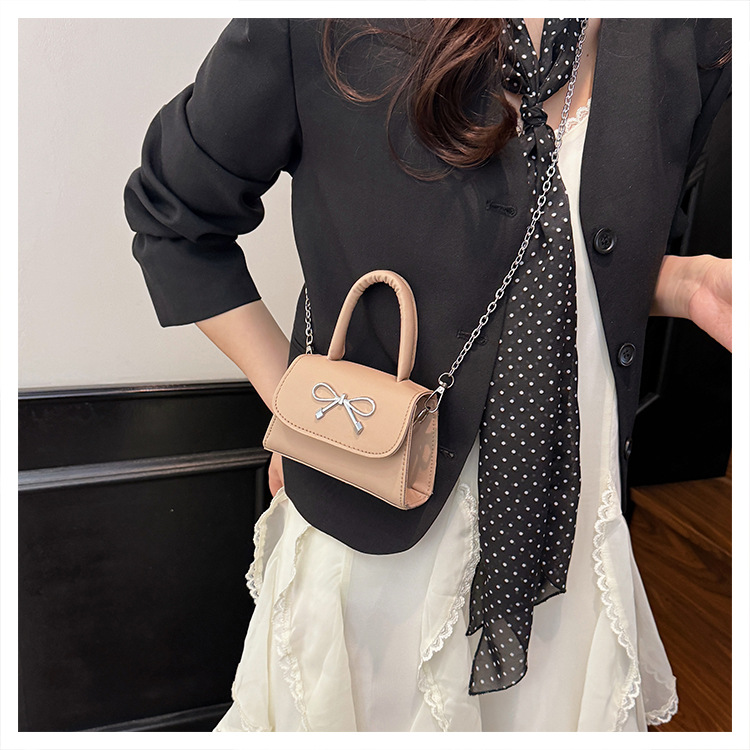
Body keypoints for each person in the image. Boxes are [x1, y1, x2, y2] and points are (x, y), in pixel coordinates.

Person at [124, 18, 732, 732]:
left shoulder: (690, 32)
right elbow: (174, 216)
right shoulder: (325, 22)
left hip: (569, 529)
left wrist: (680, 283)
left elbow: (560, 248)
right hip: (375, 531)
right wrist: (298, 404)